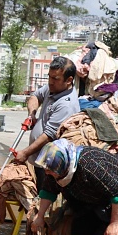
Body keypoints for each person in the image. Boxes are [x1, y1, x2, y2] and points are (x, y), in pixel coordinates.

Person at [14, 56, 80, 189]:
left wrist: (25, 153)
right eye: (49, 77)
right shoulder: (53, 88)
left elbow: (48, 135)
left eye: (55, 79)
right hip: (38, 161)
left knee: (43, 197)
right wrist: (32, 114)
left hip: (49, 165)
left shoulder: (66, 104)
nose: (50, 82)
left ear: (69, 80)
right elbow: (35, 96)